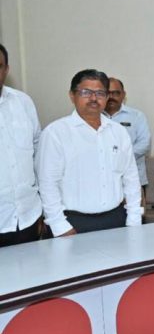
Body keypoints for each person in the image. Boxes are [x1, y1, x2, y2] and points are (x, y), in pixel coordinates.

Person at [37, 70, 142, 236]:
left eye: (100, 93)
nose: (93, 98)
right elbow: (47, 184)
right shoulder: (55, 133)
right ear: (72, 95)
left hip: (116, 219)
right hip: (72, 223)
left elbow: (131, 178)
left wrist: (134, 218)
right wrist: (59, 226)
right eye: (86, 92)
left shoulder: (119, 132)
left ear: (106, 97)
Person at [0, 43, 43, 247]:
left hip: (28, 217)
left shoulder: (23, 102)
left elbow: (38, 153)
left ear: (6, 69)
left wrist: (43, 209)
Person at [105, 77, 151, 193]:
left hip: (134, 178)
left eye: (116, 93)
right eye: (107, 93)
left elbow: (144, 144)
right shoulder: (95, 117)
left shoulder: (137, 116)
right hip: (104, 180)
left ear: (123, 95)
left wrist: (119, 158)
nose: (111, 97)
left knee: (135, 205)